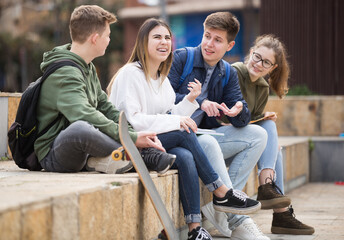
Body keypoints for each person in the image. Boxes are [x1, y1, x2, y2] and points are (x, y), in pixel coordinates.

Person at [108, 18, 261, 240]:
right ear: (143, 42)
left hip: (155, 142)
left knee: (186, 156)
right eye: (157, 37)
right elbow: (133, 120)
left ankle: (195, 228)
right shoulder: (130, 73)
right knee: (185, 131)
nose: (164, 42)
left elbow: (172, 113)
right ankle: (220, 191)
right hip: (130, 143)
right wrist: (177, 122)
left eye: (167, 38)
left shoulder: (161, 78)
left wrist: (190, 100)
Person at [34, 5, 175, 175]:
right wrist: (133, 139)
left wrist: (131, 132)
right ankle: (143, 156)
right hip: (55, 154)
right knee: (81, 127)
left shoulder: (86, 67)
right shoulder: (65, 73)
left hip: (85, 150)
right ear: (95, 38)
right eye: (108, 35)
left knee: (99, 122)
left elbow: (105, 108)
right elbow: (83, 114)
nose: (109, 40)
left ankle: (108, 159)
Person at [168, 12, 270, 240]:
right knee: (210, 144)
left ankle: (222, 206)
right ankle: (238, 221)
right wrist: (200, 102)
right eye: (207, 36)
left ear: (229, 45)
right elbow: (162, 98)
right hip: (178, 136)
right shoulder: (182, 59)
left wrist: (238, 111)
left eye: (217, 40)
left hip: (203, 135)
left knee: (259, 135)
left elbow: (241, 112)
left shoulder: (226, 72)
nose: (209, 44)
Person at [228, 34, 314, 235]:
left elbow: (248, 125)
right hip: (221, 139)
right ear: (251, 53)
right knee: (267, 128)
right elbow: (227, 118)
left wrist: (260, 118)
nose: (258, 64)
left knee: (275, 147)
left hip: (242, 142)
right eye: (257, 57)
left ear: (273, 68)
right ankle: (274, 200)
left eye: (266, 62)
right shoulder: (234, 73)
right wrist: (259, 120)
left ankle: (279, 209)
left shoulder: (262, 88)